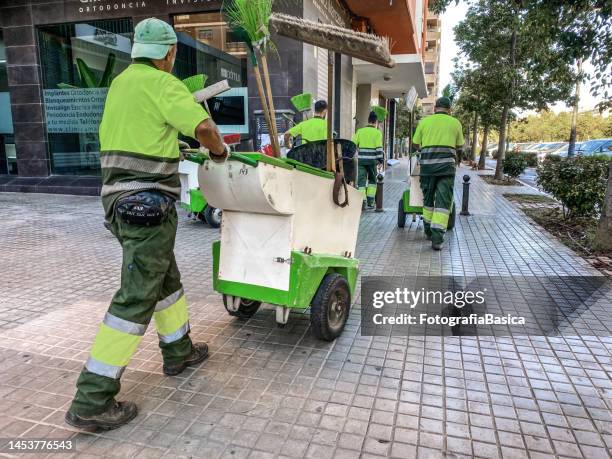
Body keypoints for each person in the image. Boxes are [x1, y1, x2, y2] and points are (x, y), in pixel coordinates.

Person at [65, 18, 229, 431]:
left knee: (165, 281)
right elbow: (206, 127)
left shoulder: (121, 84)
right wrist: (220, 152)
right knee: (135, 299)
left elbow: (142, 137)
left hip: (118, 204)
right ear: (169, 53)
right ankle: (92, 399)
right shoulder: (163, 85)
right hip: (148, 208)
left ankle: (180, 352)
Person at [412, 96, 464, 250]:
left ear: (435, 108)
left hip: (427, 168)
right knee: (443, 203)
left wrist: (423, 150)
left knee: (427, 200)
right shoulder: (455, 123)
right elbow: (460, 146)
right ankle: (437, 239)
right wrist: (458, 161)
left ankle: (428, 231)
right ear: (449, 109)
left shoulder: (424, 122)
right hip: (446, 170)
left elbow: (415, 143)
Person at [353, 111, 384, 209]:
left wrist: (359, 151)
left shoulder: (360, 131)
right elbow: (379, 148)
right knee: (372, 180)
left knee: (361, 181)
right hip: (372, 161)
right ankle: (371, 202)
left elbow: (354, 145)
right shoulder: (377, 133)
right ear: (375, 122)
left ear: (368, 120)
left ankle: (362, 201)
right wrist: (380, 161)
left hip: (361, 161)